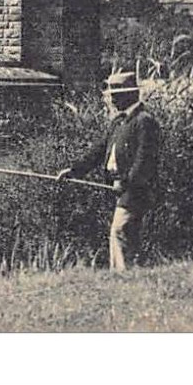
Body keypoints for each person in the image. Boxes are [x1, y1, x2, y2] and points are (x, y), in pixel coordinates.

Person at [57, 70, 161, 270]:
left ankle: (123, 275)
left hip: (136, 189)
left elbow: (144, 159)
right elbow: (98, 152)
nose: (112, 100)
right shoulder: (118, 122)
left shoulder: (144, 121)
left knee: (119, 230)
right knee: (126, 232)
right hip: (120, 188)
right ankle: (127, 272)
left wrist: (127, 182)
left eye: (116, 95)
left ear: (130, 95)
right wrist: (73, 171)